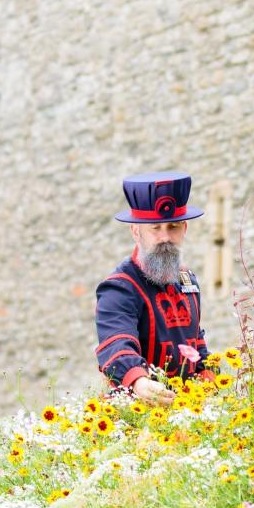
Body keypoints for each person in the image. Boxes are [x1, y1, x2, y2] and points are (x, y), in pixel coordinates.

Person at [94, 171, 214, 405]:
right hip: (138, 410)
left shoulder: (188, 281)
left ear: (185, 229)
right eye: (155, 228)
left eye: (173, 227)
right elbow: (116, 342)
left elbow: (195, 340)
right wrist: (138, 381)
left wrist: (208, 374)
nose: (165, 237)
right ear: (136, 231)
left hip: (189, 410)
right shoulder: (119, 288)